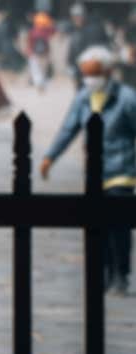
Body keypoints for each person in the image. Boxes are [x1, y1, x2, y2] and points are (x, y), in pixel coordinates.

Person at [41, 46, 135, 296]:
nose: (89, 79)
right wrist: (51, 156)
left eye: (93, 73)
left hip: (121, 169)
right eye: (86, 74)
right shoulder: (83, 97)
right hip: (95, 173)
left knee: (119, 227)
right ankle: (103, 274)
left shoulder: (127, 98)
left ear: (107, 72)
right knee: (98, 228)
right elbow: (68, 128)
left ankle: (121, 275)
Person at [67, 3, 108, 88]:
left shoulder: (91, 29)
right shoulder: (77, 30)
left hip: (90, 68)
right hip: (81, 69)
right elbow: (73, 49)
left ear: (83, 16)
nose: (75, 19)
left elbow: (95, 50)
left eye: (77, 17)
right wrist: (71, 64)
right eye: (74, 17)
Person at [26, 12, 55, 92]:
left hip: (35, 53)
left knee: (36, 70)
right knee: (43, 70)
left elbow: (30, 42)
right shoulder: (47, 31)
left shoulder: (33, 31)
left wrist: (29, 52)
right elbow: (53, 30)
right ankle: (42, 84)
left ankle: (39, 84)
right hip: (45, 53)